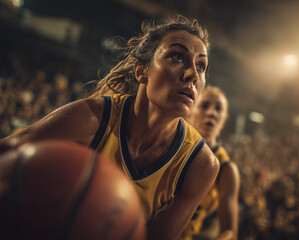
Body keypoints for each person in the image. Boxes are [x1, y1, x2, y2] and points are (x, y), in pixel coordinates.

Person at [0, 15, 220, 240]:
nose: (193, 74)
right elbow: (6, 155)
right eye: (177, 57)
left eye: (201, 65)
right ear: (141, 71)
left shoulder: (200, 165)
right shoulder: (92, 119)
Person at [180, 86, 240, 240]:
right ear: (190, 110)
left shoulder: (227, 169)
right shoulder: (168, 143)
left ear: (224, 120)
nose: (212, 113)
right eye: (205, 105)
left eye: (218, 109)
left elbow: (230, 232)